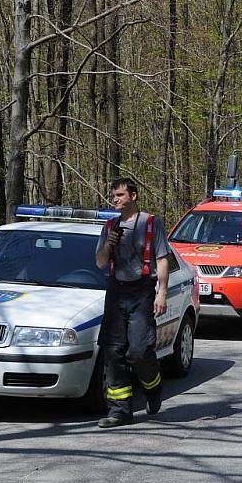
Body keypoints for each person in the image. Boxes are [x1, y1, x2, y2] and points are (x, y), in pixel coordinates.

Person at [95, 177, 171, 428]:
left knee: (138, 352)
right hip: (116, 291)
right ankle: (120, 410)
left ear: (133, 196)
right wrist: (109, 243)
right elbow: (100, 263)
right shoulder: (110, 226)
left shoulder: (151, 223)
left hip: (142, 291)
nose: (115, 199)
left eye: (120, 195)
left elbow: (162, 259)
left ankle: (153, 388)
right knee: (113, 351)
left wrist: (161, 293)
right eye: (113, 195)